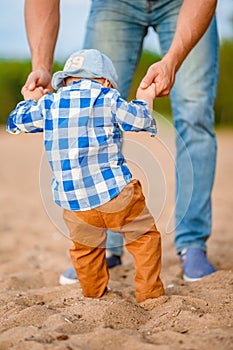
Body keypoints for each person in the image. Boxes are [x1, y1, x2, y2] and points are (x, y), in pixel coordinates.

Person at [23, 0, 218, 282]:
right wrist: (41, 67)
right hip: (113, 4)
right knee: (90, 116)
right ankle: (104, 247)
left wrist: (172, 61)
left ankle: (192, 243)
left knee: (195, 112)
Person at [7, 49, 164, 302]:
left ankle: (95, 295)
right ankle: (149, 294)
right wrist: (145, 98)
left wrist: (30, 99)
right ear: (105, 81)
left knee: (85, 251)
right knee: (143, 237)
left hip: (75, 203)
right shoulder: (107, 96)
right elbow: (138, 120)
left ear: (66, 80)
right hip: (115, 193)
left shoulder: (50, 104)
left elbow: (16, 122)